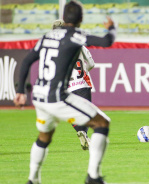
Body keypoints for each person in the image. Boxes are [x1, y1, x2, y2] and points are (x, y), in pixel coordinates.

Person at [13, 1, 116, 184]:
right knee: (102, 123)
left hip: (39, 95)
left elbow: (27, 61)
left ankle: (32, 179)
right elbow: (107, 41)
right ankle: (93, 176)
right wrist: (112, 28)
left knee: (44, 136)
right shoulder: (76, 35)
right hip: (57, 96)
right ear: (80, 19)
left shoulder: (46, 37)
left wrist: (20, 91)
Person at [53, 19, 94, 150]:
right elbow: (92, 64)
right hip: (82, 83)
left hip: (66, 86)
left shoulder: (52, 48)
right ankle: (84, 134)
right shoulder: (79, 44)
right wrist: (84, 70)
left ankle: (80, 131)